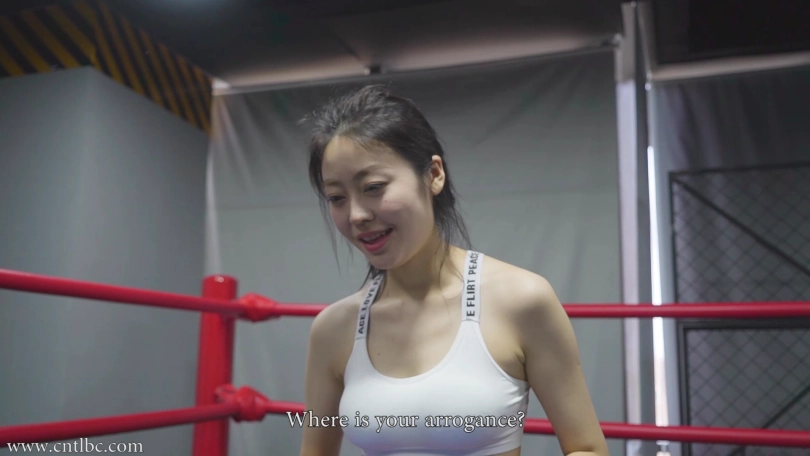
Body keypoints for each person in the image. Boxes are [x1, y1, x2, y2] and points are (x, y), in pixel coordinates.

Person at [299, 85, 609, 456]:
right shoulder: (334, 329)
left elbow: (587, 448)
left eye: (373, 187)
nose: (356, 215)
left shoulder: (521, 300)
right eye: (337, 198)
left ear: (433, 174)